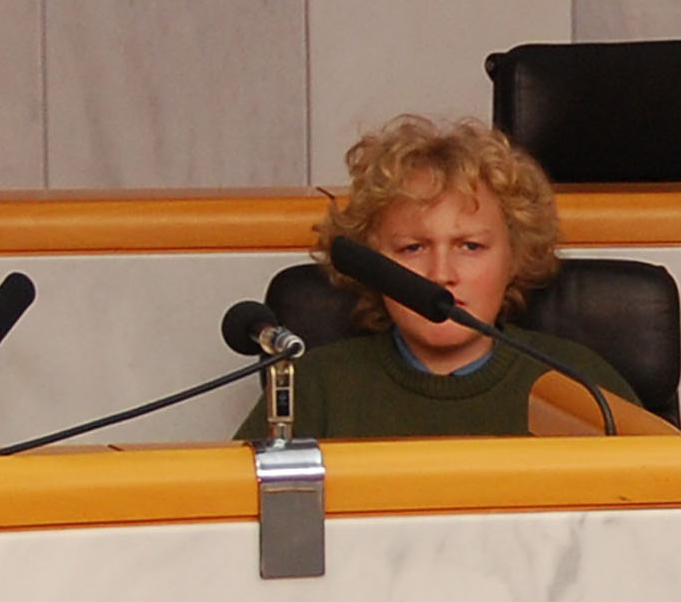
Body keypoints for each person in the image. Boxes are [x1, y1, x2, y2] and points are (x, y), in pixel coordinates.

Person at [237, 115, 635, 440]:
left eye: (470, 247)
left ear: (515, 257)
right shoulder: (313, 388)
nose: (441, 275)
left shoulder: (580, 386)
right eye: (413, 248)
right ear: (372, 263)